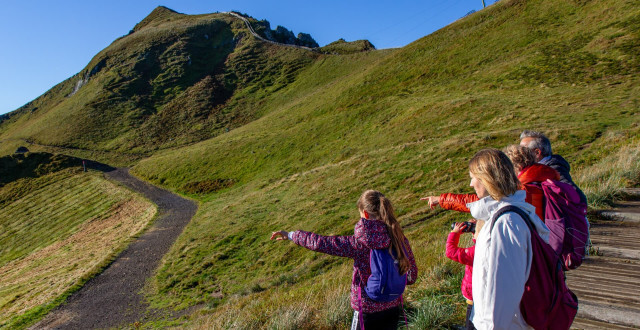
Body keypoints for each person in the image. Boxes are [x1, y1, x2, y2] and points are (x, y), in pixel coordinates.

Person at [271, 190, 418, 330]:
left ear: (365, 214)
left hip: (366, 310)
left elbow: (320, 243)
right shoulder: (398, 238)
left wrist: (291, 235)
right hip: (393, 308)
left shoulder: (358, 243)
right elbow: (412, 277)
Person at [466, 148, 550, 329]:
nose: (472, 184)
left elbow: (502, 293)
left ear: (487, 179)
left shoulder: (506, 223)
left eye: (474, 177)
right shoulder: (513, 213)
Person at [519, 130, 587, 204]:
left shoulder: (553, 169)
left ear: (537, 153)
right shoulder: (539, 168)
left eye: (523, 150)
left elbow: (576, 195)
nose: (519, 153)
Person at [446, 221, 476, 330]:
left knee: (472, 322)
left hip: (475, 295)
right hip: (490, 295)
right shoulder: (493, 246)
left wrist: (454, 233)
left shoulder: (477, 252)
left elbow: (450, 251)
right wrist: (476, 233)